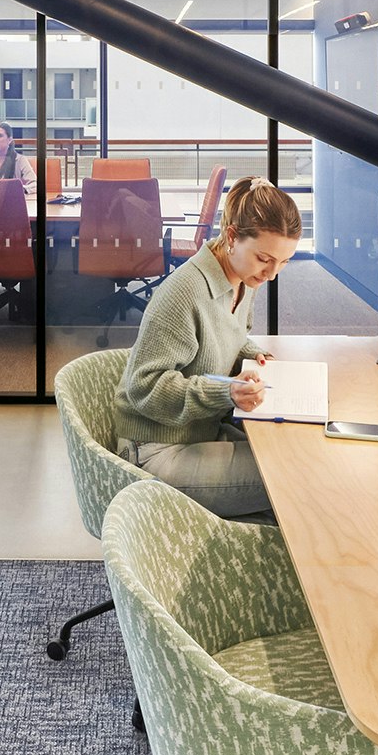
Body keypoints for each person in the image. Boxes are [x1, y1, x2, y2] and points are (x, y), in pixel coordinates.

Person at [111, 177, 302, 521]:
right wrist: (225, 392)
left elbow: (227, 335)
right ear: (232, 237)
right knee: (295, 476)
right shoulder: (184, 293)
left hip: (200, 430)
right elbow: (145, 388)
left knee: (298, 452)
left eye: (284, 262)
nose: (272, 274)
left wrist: (253, 355)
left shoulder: (243, 278)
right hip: (156, 449)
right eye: (264, 258)